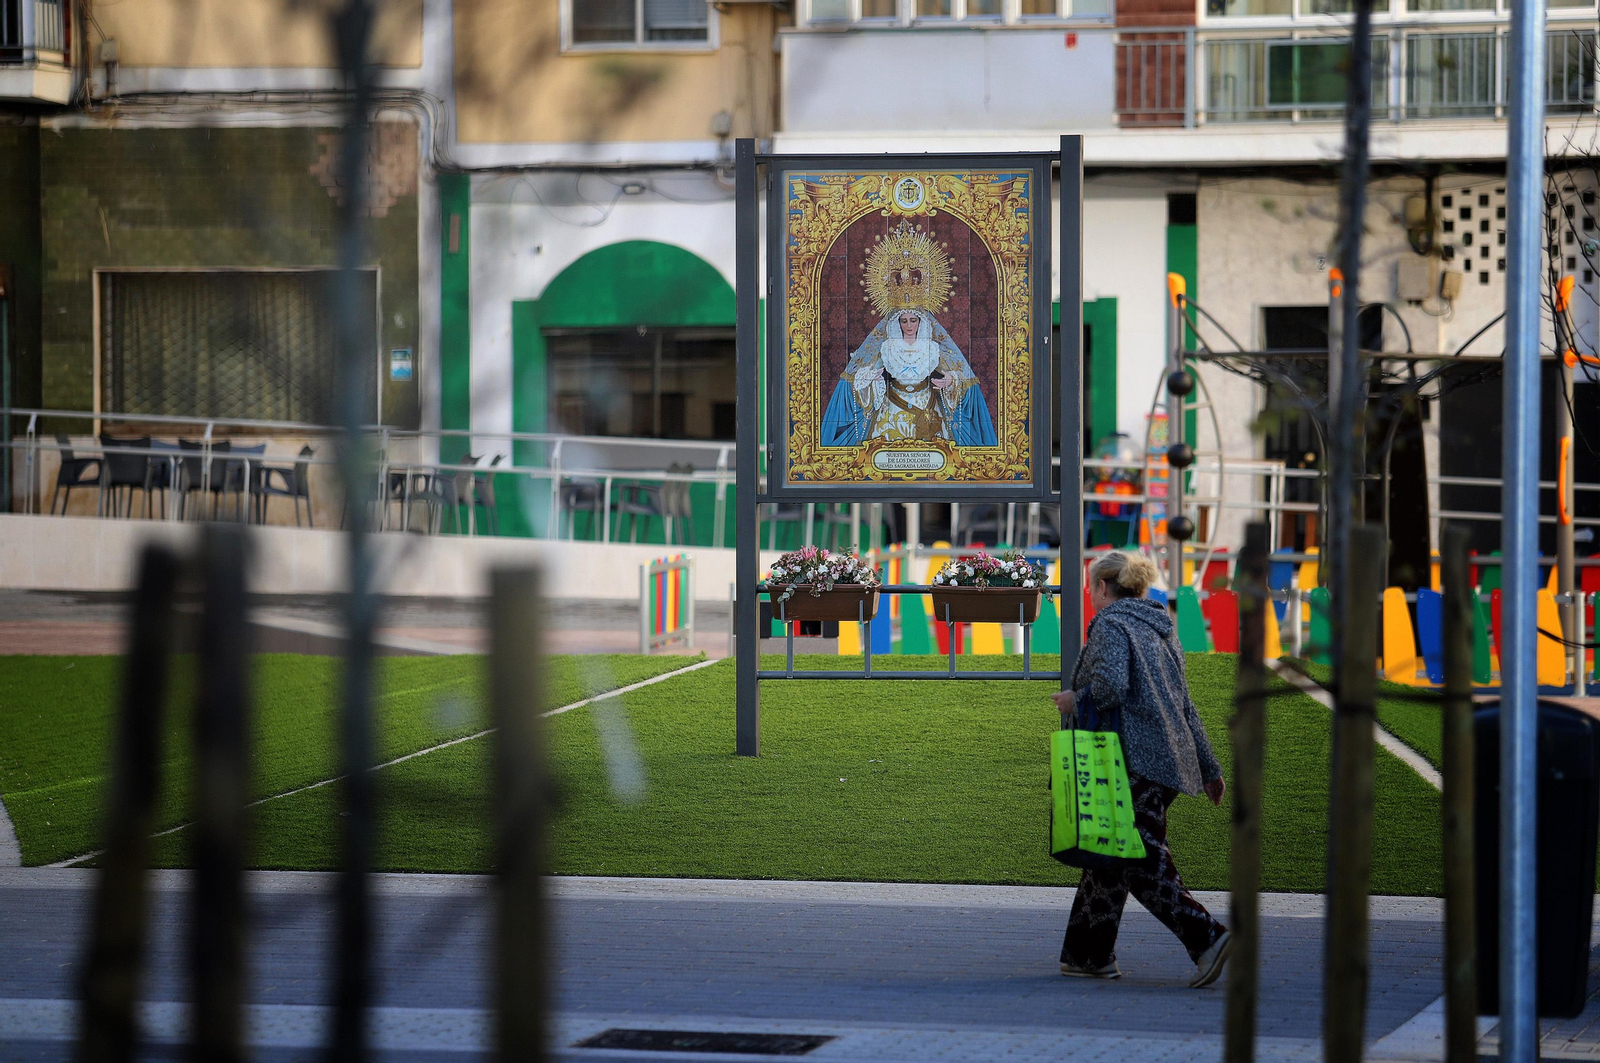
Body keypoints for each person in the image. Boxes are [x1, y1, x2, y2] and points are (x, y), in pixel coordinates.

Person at [1050, 550, 1232, 988]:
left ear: (1100, 588)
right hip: (1171, 758)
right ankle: (1086, 954)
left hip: (1132, 760)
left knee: (1138, 857)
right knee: (1110, 853)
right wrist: (1209, 768)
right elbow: (1184, 703)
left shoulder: (1111, 624)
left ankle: (1207, 938)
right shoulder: (1163, 630)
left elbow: (1111, 686)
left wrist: (1077, 700)